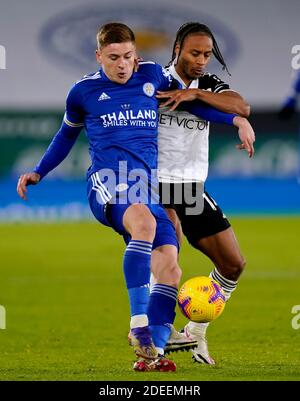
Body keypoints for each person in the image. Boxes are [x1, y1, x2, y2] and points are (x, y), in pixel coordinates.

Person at [16, 22, 242, 372]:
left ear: (137, 56)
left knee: (170, 263)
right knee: (146, 221)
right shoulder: (83, 92)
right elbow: (65, 136)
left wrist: (235, 120)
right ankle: (139, 324)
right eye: (113, 58)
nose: (122, 65)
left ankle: (154, 352)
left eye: (128, 57)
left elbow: (188, 106)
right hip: (108, 181)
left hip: (145, 186)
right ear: (99, 56)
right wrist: (39, 171)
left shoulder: (151, 76)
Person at [155, 22, 255, 365]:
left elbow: (241, 106)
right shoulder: (157, 79)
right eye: (194, 52)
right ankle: (154, 343)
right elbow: (221, 113)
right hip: (156, 184)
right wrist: (232, 120)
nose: (201, 60)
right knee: (168, 265)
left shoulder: (209, 85)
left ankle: (195, 334)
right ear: (178, 49)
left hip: (191, 188)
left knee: (233, 264)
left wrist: (199, 94)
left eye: (207, 54)